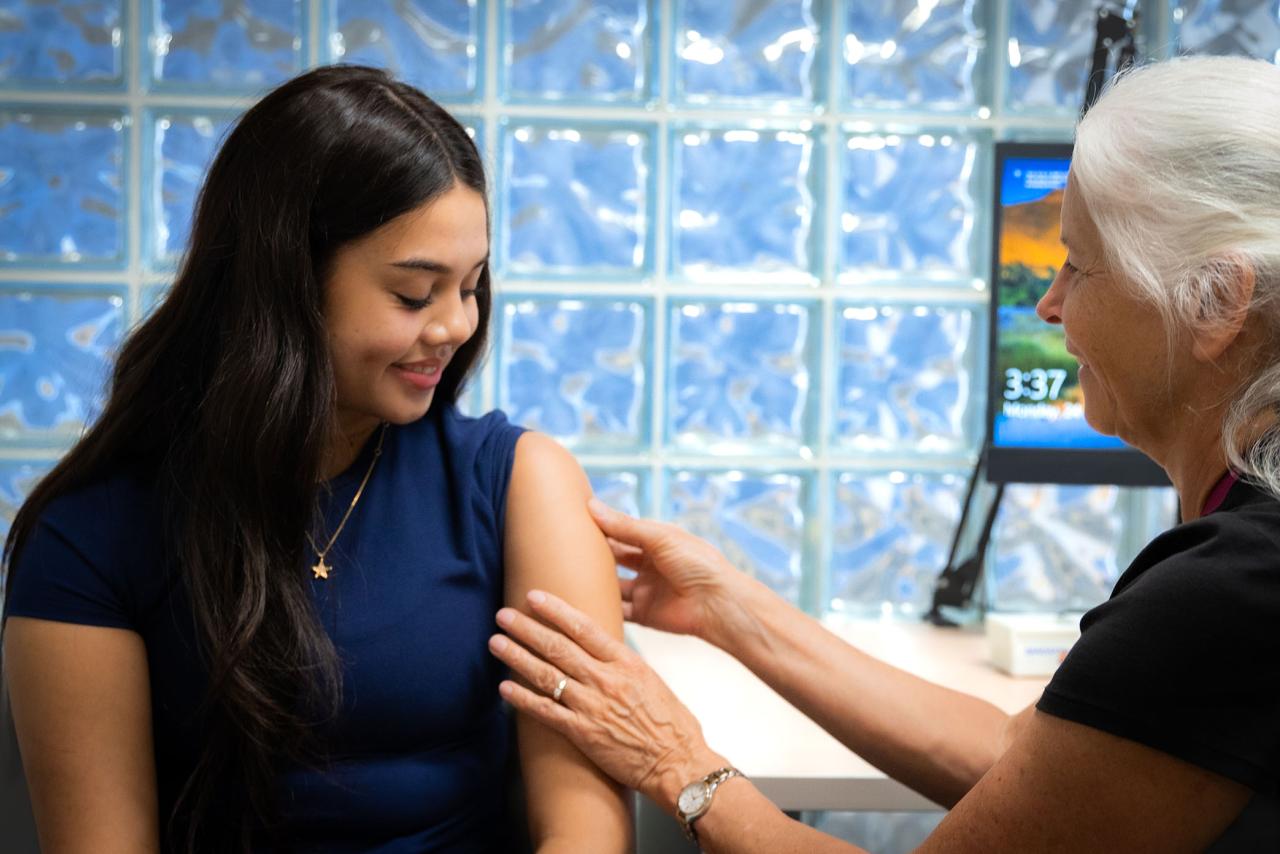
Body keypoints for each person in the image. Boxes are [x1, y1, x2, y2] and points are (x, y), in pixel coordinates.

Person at [488, 54, 1280, 852]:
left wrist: (680, 766)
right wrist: (729, 607)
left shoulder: (1230, 593)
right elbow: (1028, 763)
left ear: (1217, 300)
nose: (1049, 303)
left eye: (1078, 263)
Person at [0, 65, 631, 853]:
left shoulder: (520, 485)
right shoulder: (92, 532)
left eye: (469, 286)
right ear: (285, 283)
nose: (455, 326)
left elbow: (586, 833)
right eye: (413, 294)